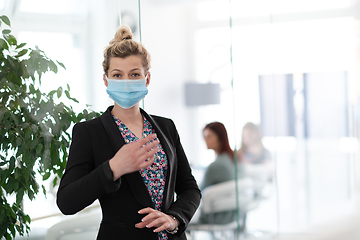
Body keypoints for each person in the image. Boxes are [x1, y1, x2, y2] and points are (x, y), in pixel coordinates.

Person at [56, 25, 201, 240]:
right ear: (106, 81)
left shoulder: (166, 127)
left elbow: (190, 188)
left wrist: (174, 218)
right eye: (117, 75)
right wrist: (113, 168)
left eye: (134, 74)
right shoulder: (89, 132)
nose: (126, 82)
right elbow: (67, 201)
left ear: (147, 79)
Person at [198, 121, 236, 224]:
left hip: (217, 216)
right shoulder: (231, 159)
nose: (205, 140)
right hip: (231, 214)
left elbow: (198, 193)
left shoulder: (216, 166)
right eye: (204, 137)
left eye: (209, 136)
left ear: (219, 137)